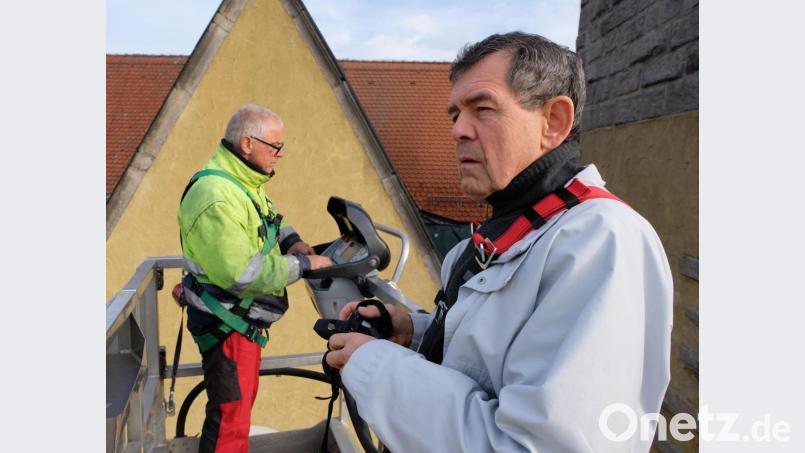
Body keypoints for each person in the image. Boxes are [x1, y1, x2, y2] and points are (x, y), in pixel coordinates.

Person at [325, 32, 673, 452]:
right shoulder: (496, 236)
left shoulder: (600, 241)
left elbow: (531, 446)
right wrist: (416, 333)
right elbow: (493, 363)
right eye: (454, 114)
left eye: (482, 108)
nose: (458, 130)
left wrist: (373, 365)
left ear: (554, 122)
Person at [177, 103, 332, 452]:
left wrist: (294, 243)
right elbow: (240, 274)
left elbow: (270, 217)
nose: (281, 154)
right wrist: (304, 267)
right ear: (248, 143)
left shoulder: (242, 181)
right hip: (229, 323)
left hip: (239, 322)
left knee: (236, 414)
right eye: (275, 147)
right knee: (230, 421)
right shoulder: (216, 196)